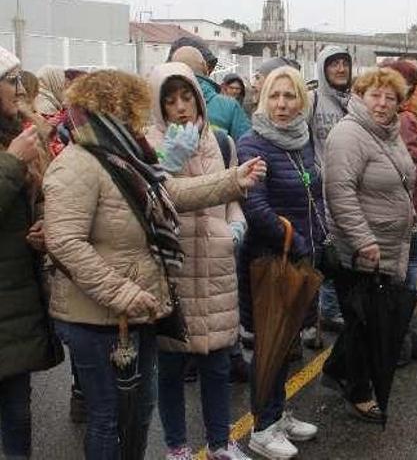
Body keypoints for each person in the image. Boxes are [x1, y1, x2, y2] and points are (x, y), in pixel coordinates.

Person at [42, 69, 266, 460]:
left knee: (138, 412)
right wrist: (123, 293)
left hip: (137, 310)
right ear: (104, 112)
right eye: (129, 110)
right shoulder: (78, 162)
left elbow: (168, 192)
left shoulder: (123, 156)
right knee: (108, 417)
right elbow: (64, 241)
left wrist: (233, 180)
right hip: (97, 316)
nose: (139, 120)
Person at [143, 62, 250, 460]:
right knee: (171, 368)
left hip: (218, 265)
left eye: (186, 97)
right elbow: (147, 207)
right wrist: (166, 163)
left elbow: (230, 199)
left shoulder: (218, 142)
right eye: (170, 100)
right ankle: (176, 446)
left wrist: (235, 228)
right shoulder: (147, 143)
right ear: (159, 105)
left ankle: (221, 443)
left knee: (218, 365)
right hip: (175, 271)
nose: (180, 107)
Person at [236, 65, 322, 459]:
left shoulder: (302, 141)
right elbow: (255, 207)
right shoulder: (253, 144)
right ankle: (261, 428)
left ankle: (277, 412)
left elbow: (313, 193)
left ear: (301, 100)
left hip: (300, 256)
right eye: (274, 96)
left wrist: (316, 239)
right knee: (269, 344)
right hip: (269, 260)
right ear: (263, 99)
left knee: (287, 344)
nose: (282, 104)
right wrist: (299, 241)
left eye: (290, 96)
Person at [321, 68, 415, 422]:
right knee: (365, 322)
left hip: (389, 242)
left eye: (390, 98)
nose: (382, 103)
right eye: (375, 95)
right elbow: (339, 193)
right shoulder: (349, 134)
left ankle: (336, 370)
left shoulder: (389, 133)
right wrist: (363, 240)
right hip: (361, 248)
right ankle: (359, 392)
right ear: (360, 95)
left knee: (366, 318)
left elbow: (402, 178)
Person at [0, 47, 63, 460]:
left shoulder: (14, 133)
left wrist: (40, 223)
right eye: (11, 81)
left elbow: (26, 202)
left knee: (18, 414)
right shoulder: (12, 148)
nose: (20, 90)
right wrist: (10, 163)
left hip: (15, 296)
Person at [382, 59, 417, 363]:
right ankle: (412, 339)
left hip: (405, 210)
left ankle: (403, 343)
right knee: (404, 279)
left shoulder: (404, 121)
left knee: (401, 280)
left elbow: (410, 167)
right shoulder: (410, 120)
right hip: (408, 210)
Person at [309, 46, 354, 337]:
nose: (340, 69)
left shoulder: (354, 103)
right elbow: (300, 141)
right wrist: (310, 174)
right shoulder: (312, 101)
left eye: (344, 64)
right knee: (322, 253)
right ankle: (318, 315)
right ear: (323, 68)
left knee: (344, 250)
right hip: (320, 190)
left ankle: (333, 308)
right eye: (333, 64)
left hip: (350, 189)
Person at [171, 46, 251, 141]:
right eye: (232, 88)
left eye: (237, 89)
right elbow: (248, 146)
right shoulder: (230, 106)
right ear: (205, 67)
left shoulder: (159, 105)